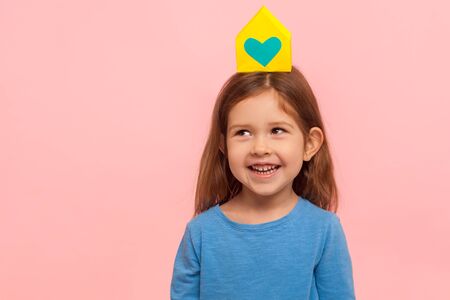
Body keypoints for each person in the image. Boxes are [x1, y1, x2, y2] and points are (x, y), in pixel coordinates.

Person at [170, 6, 355, 299]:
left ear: (310, 144)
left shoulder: (324, 230)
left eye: (277, 130)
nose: (260, 148)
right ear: (223, 144)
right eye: (243, 132)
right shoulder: (201, 234)